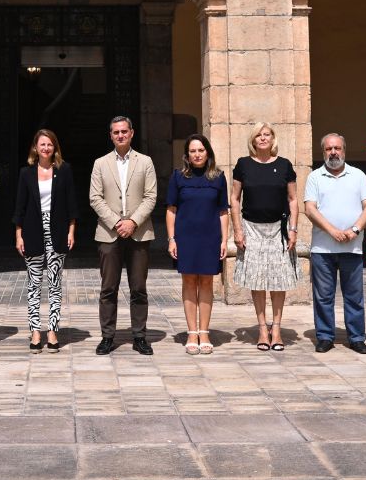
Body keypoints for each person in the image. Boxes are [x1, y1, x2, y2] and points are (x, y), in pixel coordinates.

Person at [90, 115, 158, 356]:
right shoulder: (100, 163)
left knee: (138, 287)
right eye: (116, 132)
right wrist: (118, 222)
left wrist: (133, 222)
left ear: (132, 133)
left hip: (139, 233)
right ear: (110, 135)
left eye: (124, 131)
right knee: (108, 288)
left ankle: (139, 336)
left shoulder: (145, 162)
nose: (120, 135)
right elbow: (95, 198)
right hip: (109, 234)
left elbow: (151, 196)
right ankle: (107, 336)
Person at [304, 132, 366, 355]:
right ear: (323, 152)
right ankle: (325, 337)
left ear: (344, 150)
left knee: (354, 296)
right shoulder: (315, 177)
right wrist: (333, 231)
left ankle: (356, 337)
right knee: (323, 296)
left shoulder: (358, 176)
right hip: (322, 248)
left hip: (351, 247)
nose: (333, 153)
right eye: (328, 149)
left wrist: (354, 230)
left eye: (337, 148)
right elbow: (310, 208)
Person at [230, 122, 299, 352]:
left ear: (273, 139)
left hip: (279, 229)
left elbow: (293, 199)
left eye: (267, 134)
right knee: (257, 281)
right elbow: (235, 198)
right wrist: (237, 230)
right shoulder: (243, 165)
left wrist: (294, 228)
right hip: (251, 228)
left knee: (278, 281)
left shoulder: (285, 165)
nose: (262, 138)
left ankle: (276, 329)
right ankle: (262, 329)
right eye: (258, 135)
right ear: (253, 140)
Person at [13, 129, 77, 352]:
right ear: (35, 148)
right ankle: (34, 331)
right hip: (32, 231)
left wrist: (71, 231)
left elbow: (72, 205)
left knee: (55, 283)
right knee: (33, 284)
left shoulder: (64, 170)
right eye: (42, 144)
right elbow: (19, 207)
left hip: (57, 230)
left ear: (55, 148)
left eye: (50, 144)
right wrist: (18, 235)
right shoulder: (26, 173)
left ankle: (52, 330)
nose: (46, 148)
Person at [165, 134, 229, 355]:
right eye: (193, 151)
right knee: (189, 282)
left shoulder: (218, 177)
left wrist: (224, 239)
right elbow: (171, 210)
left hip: (210, 238)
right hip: (186, 238)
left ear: (207, 152)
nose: (197, 154)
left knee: (207, 283)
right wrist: (172, 239)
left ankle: (205, 332)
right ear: (187, 155)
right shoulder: (178, 177)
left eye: (201, 150)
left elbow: (223, 211)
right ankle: (192, 333)